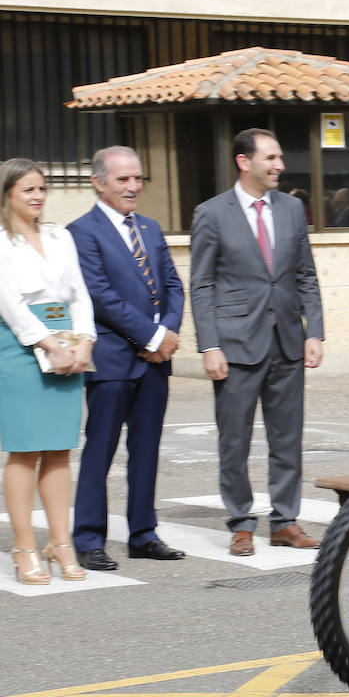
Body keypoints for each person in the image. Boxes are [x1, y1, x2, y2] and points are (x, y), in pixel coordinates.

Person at [190, 128, 326, 556]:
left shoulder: (292, 208)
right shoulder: (212, 213)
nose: (279, 165)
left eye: (280, 157)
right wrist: (209, 345)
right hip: (235, 345)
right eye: (271, 157)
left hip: (287, 340)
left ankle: (285, 521)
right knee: (234, 441)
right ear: (244, 162)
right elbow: (201, 284)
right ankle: (241, 522)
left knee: (288, 439)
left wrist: (315, 331)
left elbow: (306, 274)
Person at [67, 146, 187, 571]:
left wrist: (165, 335)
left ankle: (143, 534)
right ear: (98, 183)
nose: (133, 186)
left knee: (147, 450)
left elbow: (173, 285)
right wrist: (152, 335)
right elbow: (99, 295)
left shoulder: (150, 228)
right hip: (112, 360)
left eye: (138, 178)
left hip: (154, 361)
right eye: (123, 179)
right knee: (100, 450)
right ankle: (88, 538)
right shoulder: (81, 232)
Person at [0, 159, 95, 584]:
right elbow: (12, 306)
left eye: (41, 188)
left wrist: (85, 341)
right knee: (24, 450)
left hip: (68, 343)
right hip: (21, 348)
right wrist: (50, 345)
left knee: (58, 449)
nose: (38, 196)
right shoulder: (2, 243)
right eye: (28, 189)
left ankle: (60, 543)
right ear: (7, 195)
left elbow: (79, 295)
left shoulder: (61, 236)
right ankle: (24, 547)